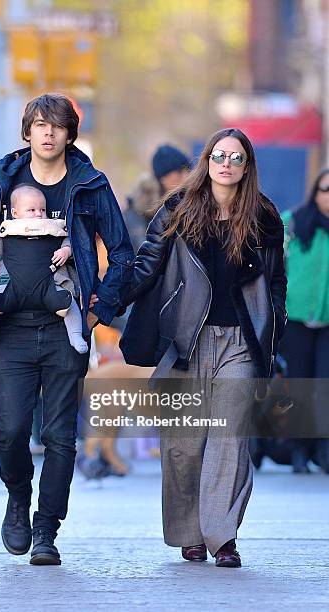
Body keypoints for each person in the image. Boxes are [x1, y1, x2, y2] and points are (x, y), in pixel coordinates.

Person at [0, 93, 134, 565]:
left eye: (56, 125)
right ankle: (18, 498)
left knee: (60, 437)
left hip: (65, 327)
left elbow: (122, 254)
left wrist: (100, 309)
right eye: (39, 124)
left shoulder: (89, 184)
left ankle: (46, 530)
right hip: (10, 328)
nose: (48, 132)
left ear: (69, 132)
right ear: (27, 131)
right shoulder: (0, 181)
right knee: (12, 431)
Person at [121, 128, 287, 567]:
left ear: (247, 166)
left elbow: (275, 283)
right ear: (207, 161)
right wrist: (108, 301)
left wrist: (275, 329)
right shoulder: (179, 207)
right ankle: (189, 533)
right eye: (219, 155)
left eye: (236, 158)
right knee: (183, 444)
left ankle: (222, 536)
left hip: (240, 342)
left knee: (229, 437)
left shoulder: (265, 217)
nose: (227, 164)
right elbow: (148, 263)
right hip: (185, 339)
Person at [0, 183, 88, 353]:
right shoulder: (6, 230)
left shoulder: (53, 228)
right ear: (15, 213)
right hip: (11, 284)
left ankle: (75, 334)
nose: (39, 214)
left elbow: (70, 241)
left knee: (69, 303)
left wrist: (66, 251)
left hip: (50, 284)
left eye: (42, 210)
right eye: (31, 210)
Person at [279, 168, 329, 473]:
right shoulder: (294, 221)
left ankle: (323, 449)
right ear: (314, 192)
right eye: (325, 189)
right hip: (296, 317)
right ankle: (298, 449)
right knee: (299, 385)